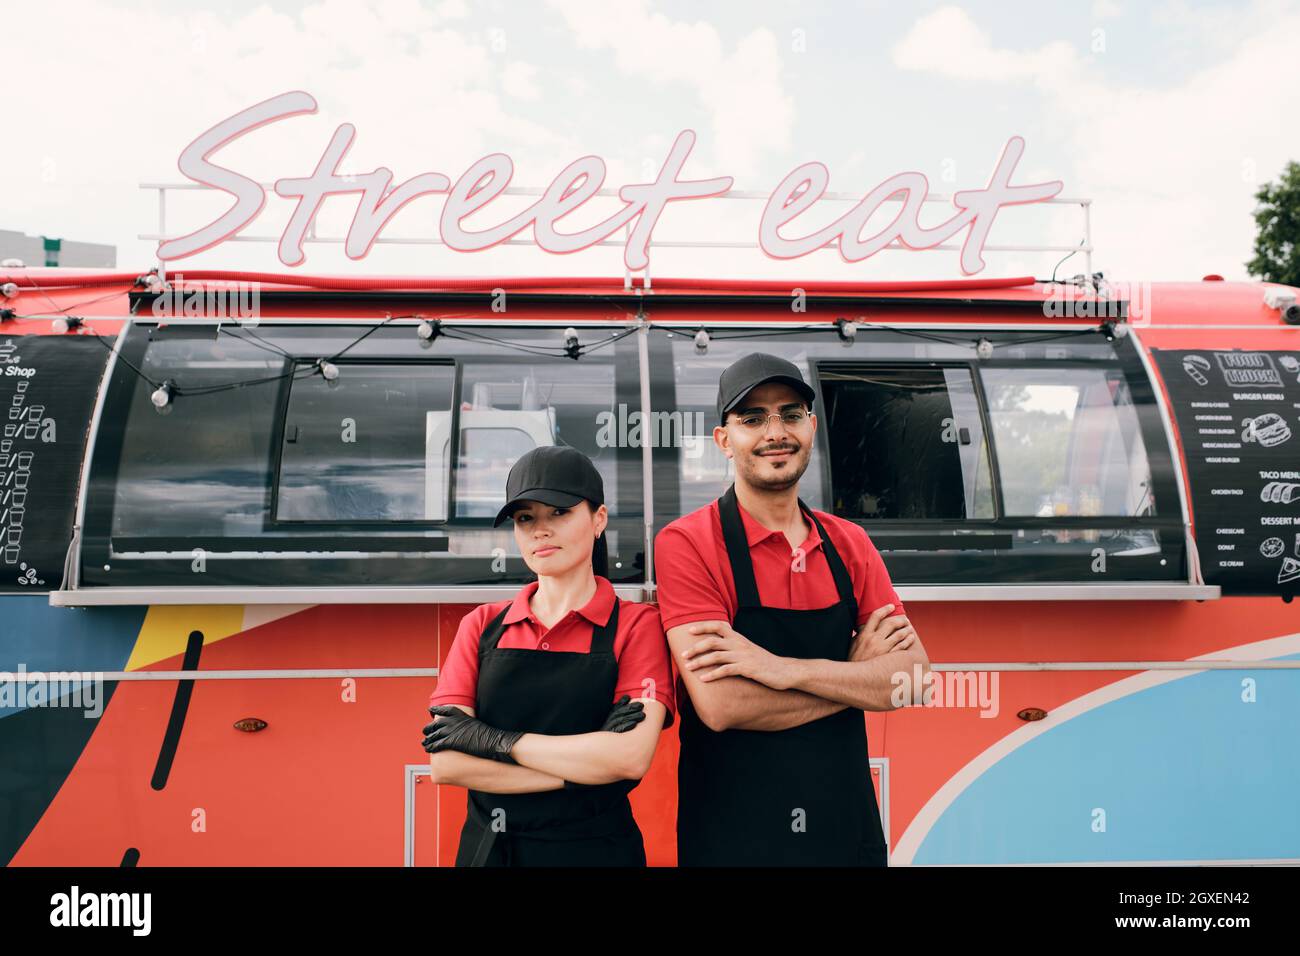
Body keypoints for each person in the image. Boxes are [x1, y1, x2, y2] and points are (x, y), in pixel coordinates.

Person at [654, 352, 930, 867]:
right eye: (752, 418)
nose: (774, 431)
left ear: (811, 427)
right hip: (735, 834)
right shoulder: (687, 543)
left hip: (844, 828)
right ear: (724, 440)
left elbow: (912, 680)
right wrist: (854, 676)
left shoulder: (850, 543)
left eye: (790, 413)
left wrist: (779, 670)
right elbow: (722, 705)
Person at [423, 444, 675, 866]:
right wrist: (588, 771)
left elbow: (630, 757)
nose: (541, 530)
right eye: (526, 518)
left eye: (559, 512)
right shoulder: (482, 625)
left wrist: (493, 740)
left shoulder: (637, 625)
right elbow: (447, 764)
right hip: (491, 853)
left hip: (596, 852)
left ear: (599, 519)